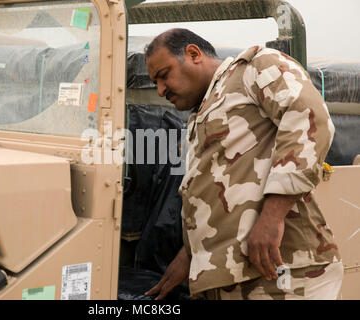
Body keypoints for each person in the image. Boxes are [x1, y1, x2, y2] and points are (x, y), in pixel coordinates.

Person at [143, 28, 343, 300]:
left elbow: (309, 119)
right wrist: (190, 254)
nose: (160, 90)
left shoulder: (254, 68)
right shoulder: (202, 111)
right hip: (237, 279)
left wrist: (272, 216)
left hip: (286, 273)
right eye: (155, 82)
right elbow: (220, 189)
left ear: (193, 54)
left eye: (163, 75)